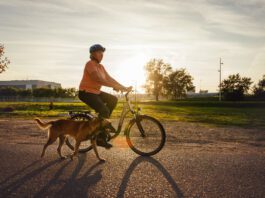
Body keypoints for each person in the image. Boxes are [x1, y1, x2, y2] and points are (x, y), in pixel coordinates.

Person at [78, 44, 132, 148]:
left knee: (113, 99)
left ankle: (103, 123)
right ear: (93, 54)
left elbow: (109, 79)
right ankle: (100, 138)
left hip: (95, 92)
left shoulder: (101, 67)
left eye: (102, 53)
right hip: (86, 92)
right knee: (104, 111)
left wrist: (123, 87)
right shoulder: (90, 64)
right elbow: (98, 79)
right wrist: (115, 86)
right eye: (99, 52)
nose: (102, 55)